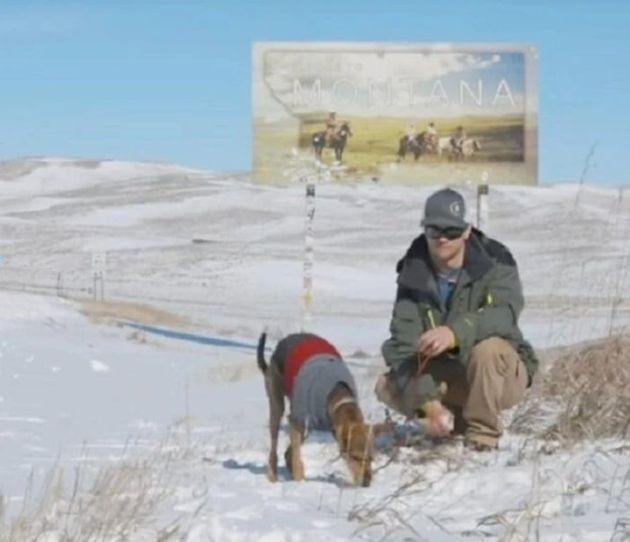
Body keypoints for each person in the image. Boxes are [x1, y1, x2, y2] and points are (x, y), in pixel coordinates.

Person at [375, 188, 538, 451]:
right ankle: (449, 421)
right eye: (434, 231)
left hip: (500, 374)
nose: (442, 239)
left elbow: (505, 314)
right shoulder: (412, 271)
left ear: (466, 232)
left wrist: (454, 333)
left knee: (489, 349)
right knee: (387, 385)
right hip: (450, 374)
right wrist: (427, 402)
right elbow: (402, 343)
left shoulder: (496, 261)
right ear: (424, 230)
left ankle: (483, 436)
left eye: (451, 231)